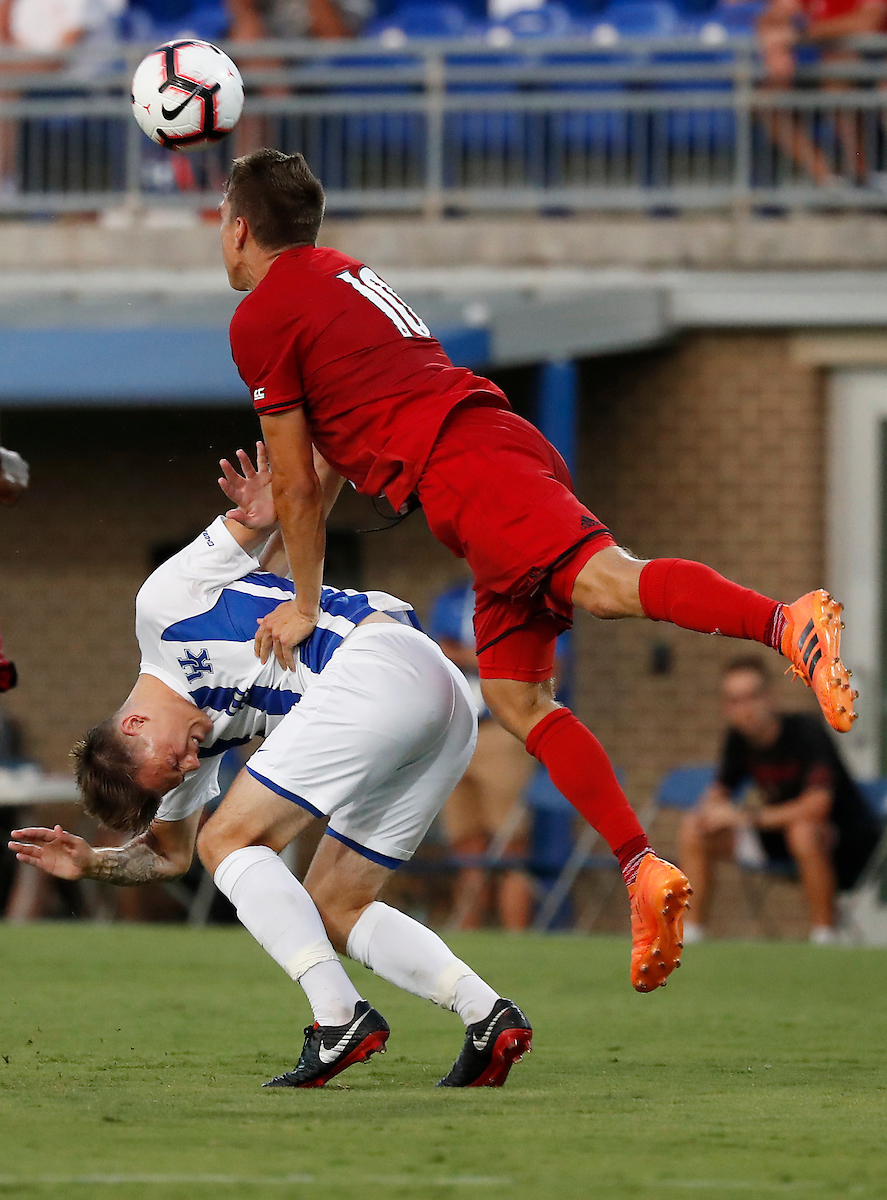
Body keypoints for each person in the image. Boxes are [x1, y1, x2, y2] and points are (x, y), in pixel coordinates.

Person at [219, 148, 857, 993]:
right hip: (485, 458)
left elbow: (298, 483)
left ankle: (786, 621)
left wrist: (302, 600)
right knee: (516, 699)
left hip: (471, 472)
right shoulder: (343, 275)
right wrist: (282, 516)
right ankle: (642, 869)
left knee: (606, 584)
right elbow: (326, 460)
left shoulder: (261, 315)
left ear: (236, 228)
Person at [9, 445, 532, 1089]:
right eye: (181, 773)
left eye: (174, 760)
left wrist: (309, 471)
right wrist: (94, 863)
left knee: (227, 836)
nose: (192, 763)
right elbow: (170, 856)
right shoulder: (191, 748)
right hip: (436, 705)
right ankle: (487, 1016)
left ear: (134, 725)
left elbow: (278, 524)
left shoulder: (162, 606)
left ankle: (337, 1016)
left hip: (384, 665)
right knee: (335, 906)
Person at [678, 657, 880, 943]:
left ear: (771, 697)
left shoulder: (806, 732)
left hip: (846, 846)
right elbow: (718, 793)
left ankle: (825, 936)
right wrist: (710, 810)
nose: (744, 709)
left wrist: (744, 816)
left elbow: (816, 806)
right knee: (693, 829)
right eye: (734, 700)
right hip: (781, 840)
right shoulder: (738, 740)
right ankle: (692, 934)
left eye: (751, 697)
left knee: (803, 831)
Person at [429, 578, 535, 931]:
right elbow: (435, 653)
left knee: (509, 848)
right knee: (466, 847)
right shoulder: (451, 599)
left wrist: (465, 655)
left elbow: (528, 660)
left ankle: (518, 940)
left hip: (499, 733)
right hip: (456, 732)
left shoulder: (523, 599)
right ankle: (471, 943)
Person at [758, 0, 887, 185]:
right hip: (832, 73)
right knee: (767, 99)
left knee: (840, 73)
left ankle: (863, 174)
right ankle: (827, 178)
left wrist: (801, 34)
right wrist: (774, 50)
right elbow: (774, 16)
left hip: (872, 70)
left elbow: (866, 23)